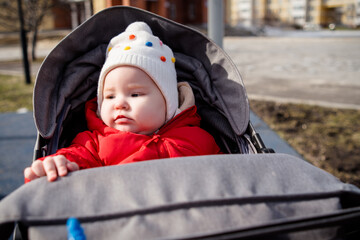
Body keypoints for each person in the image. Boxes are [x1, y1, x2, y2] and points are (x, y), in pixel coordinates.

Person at [24, 22, 221, 183]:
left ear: (168, 102)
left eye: (135, 95)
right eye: (109, 97)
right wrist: (58, 163)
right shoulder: (94, 144)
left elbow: (227, 176)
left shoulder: (198, 139)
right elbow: (76, 156)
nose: (120, 104)